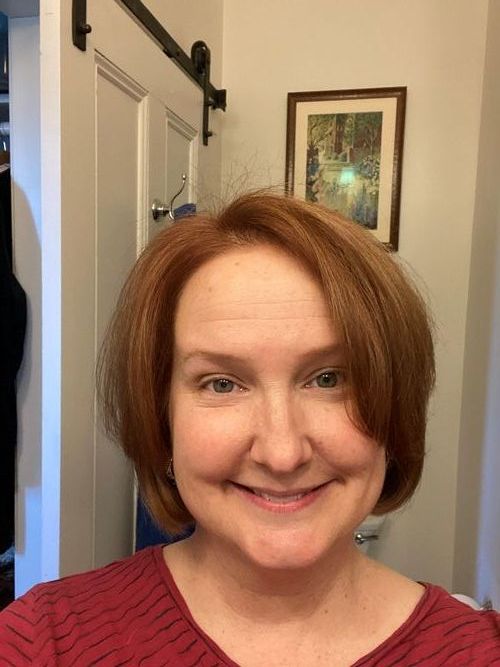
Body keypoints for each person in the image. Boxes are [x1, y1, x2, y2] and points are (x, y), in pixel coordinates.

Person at [0, 192, 498, 665]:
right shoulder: (44, 641)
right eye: (222, 384)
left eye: (329, 379)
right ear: (160, 415)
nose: (282, 454)